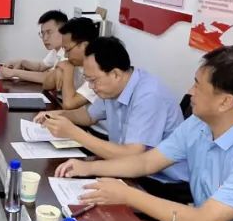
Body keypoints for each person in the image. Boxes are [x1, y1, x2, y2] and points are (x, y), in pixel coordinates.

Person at [57, 45, 233, 221]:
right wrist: (87, 168)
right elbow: (146, 162)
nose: (190, 92)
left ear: (225, 102)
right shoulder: (199, 123)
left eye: (198, 86)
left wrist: (128, 195)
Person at [36, 37, 191, 203]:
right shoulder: (113, 88)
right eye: (88, 80)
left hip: (162, 183)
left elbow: (132, 155)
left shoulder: (149, 96)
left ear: (115, 74)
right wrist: (58, 115)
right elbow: (88, 116)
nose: (91, 87)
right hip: (128, 170)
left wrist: (74, 133)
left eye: (93, 80)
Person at [0, 10, 68, 87]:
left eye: (49, 32)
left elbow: (48, 78)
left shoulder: (69, 52)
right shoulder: (56, 50)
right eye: (42, 33)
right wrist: (22, 62)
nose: (45, 38)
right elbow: (41, 66)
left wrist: (14, 73)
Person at [53, 17, 99, 110]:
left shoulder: (99, 70)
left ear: (85, 46)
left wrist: (67, 69)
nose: (65, 55)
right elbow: (46, 84)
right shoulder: (76, 61)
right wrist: (58, 69)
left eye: (67, 50)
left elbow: (69, 105)